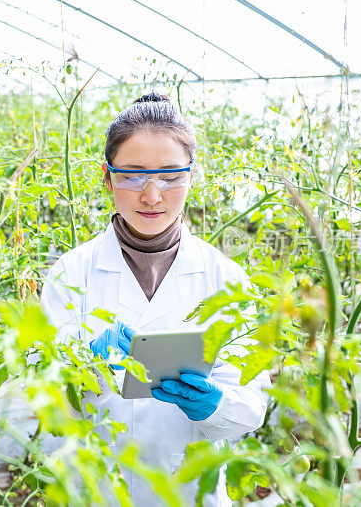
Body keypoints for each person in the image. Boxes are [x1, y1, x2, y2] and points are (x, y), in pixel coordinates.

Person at [40, 93, 270, 505]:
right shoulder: (70, 275)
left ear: (191, 177)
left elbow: (252, 404)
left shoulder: (225, 278)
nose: (152, 195)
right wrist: (82, 368)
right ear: (108, 178)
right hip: (96, 489)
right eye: (132, 175)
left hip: (187, 490)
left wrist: (215, 406)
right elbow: (44, 395)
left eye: (170, 175)